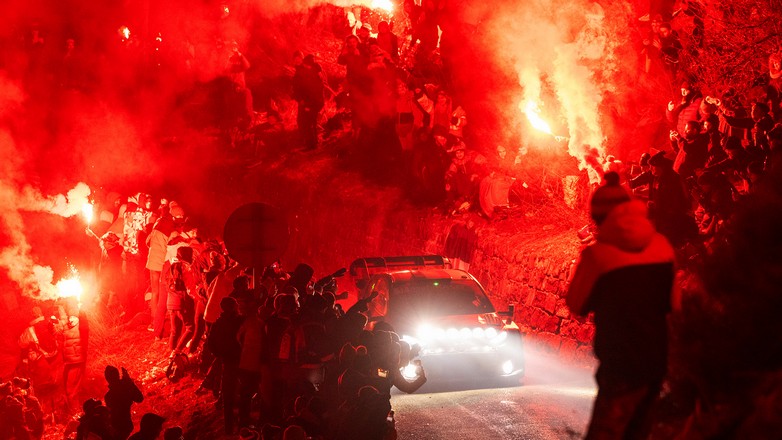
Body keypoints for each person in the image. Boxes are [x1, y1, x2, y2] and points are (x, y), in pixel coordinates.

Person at [566, 172, 675, 439]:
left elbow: (576, 304)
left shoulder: (598, 256)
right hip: (658, 361)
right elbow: (675, 305)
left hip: (619, 363)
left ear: (598, 217)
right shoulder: (662, 247)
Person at [104, 365, 144, 439]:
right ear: (118, 376)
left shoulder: (108, 396)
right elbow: (139, 398)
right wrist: (128, 382)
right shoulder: (125, 389)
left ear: (107, 379)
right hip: (124, 426)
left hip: (117, 428)